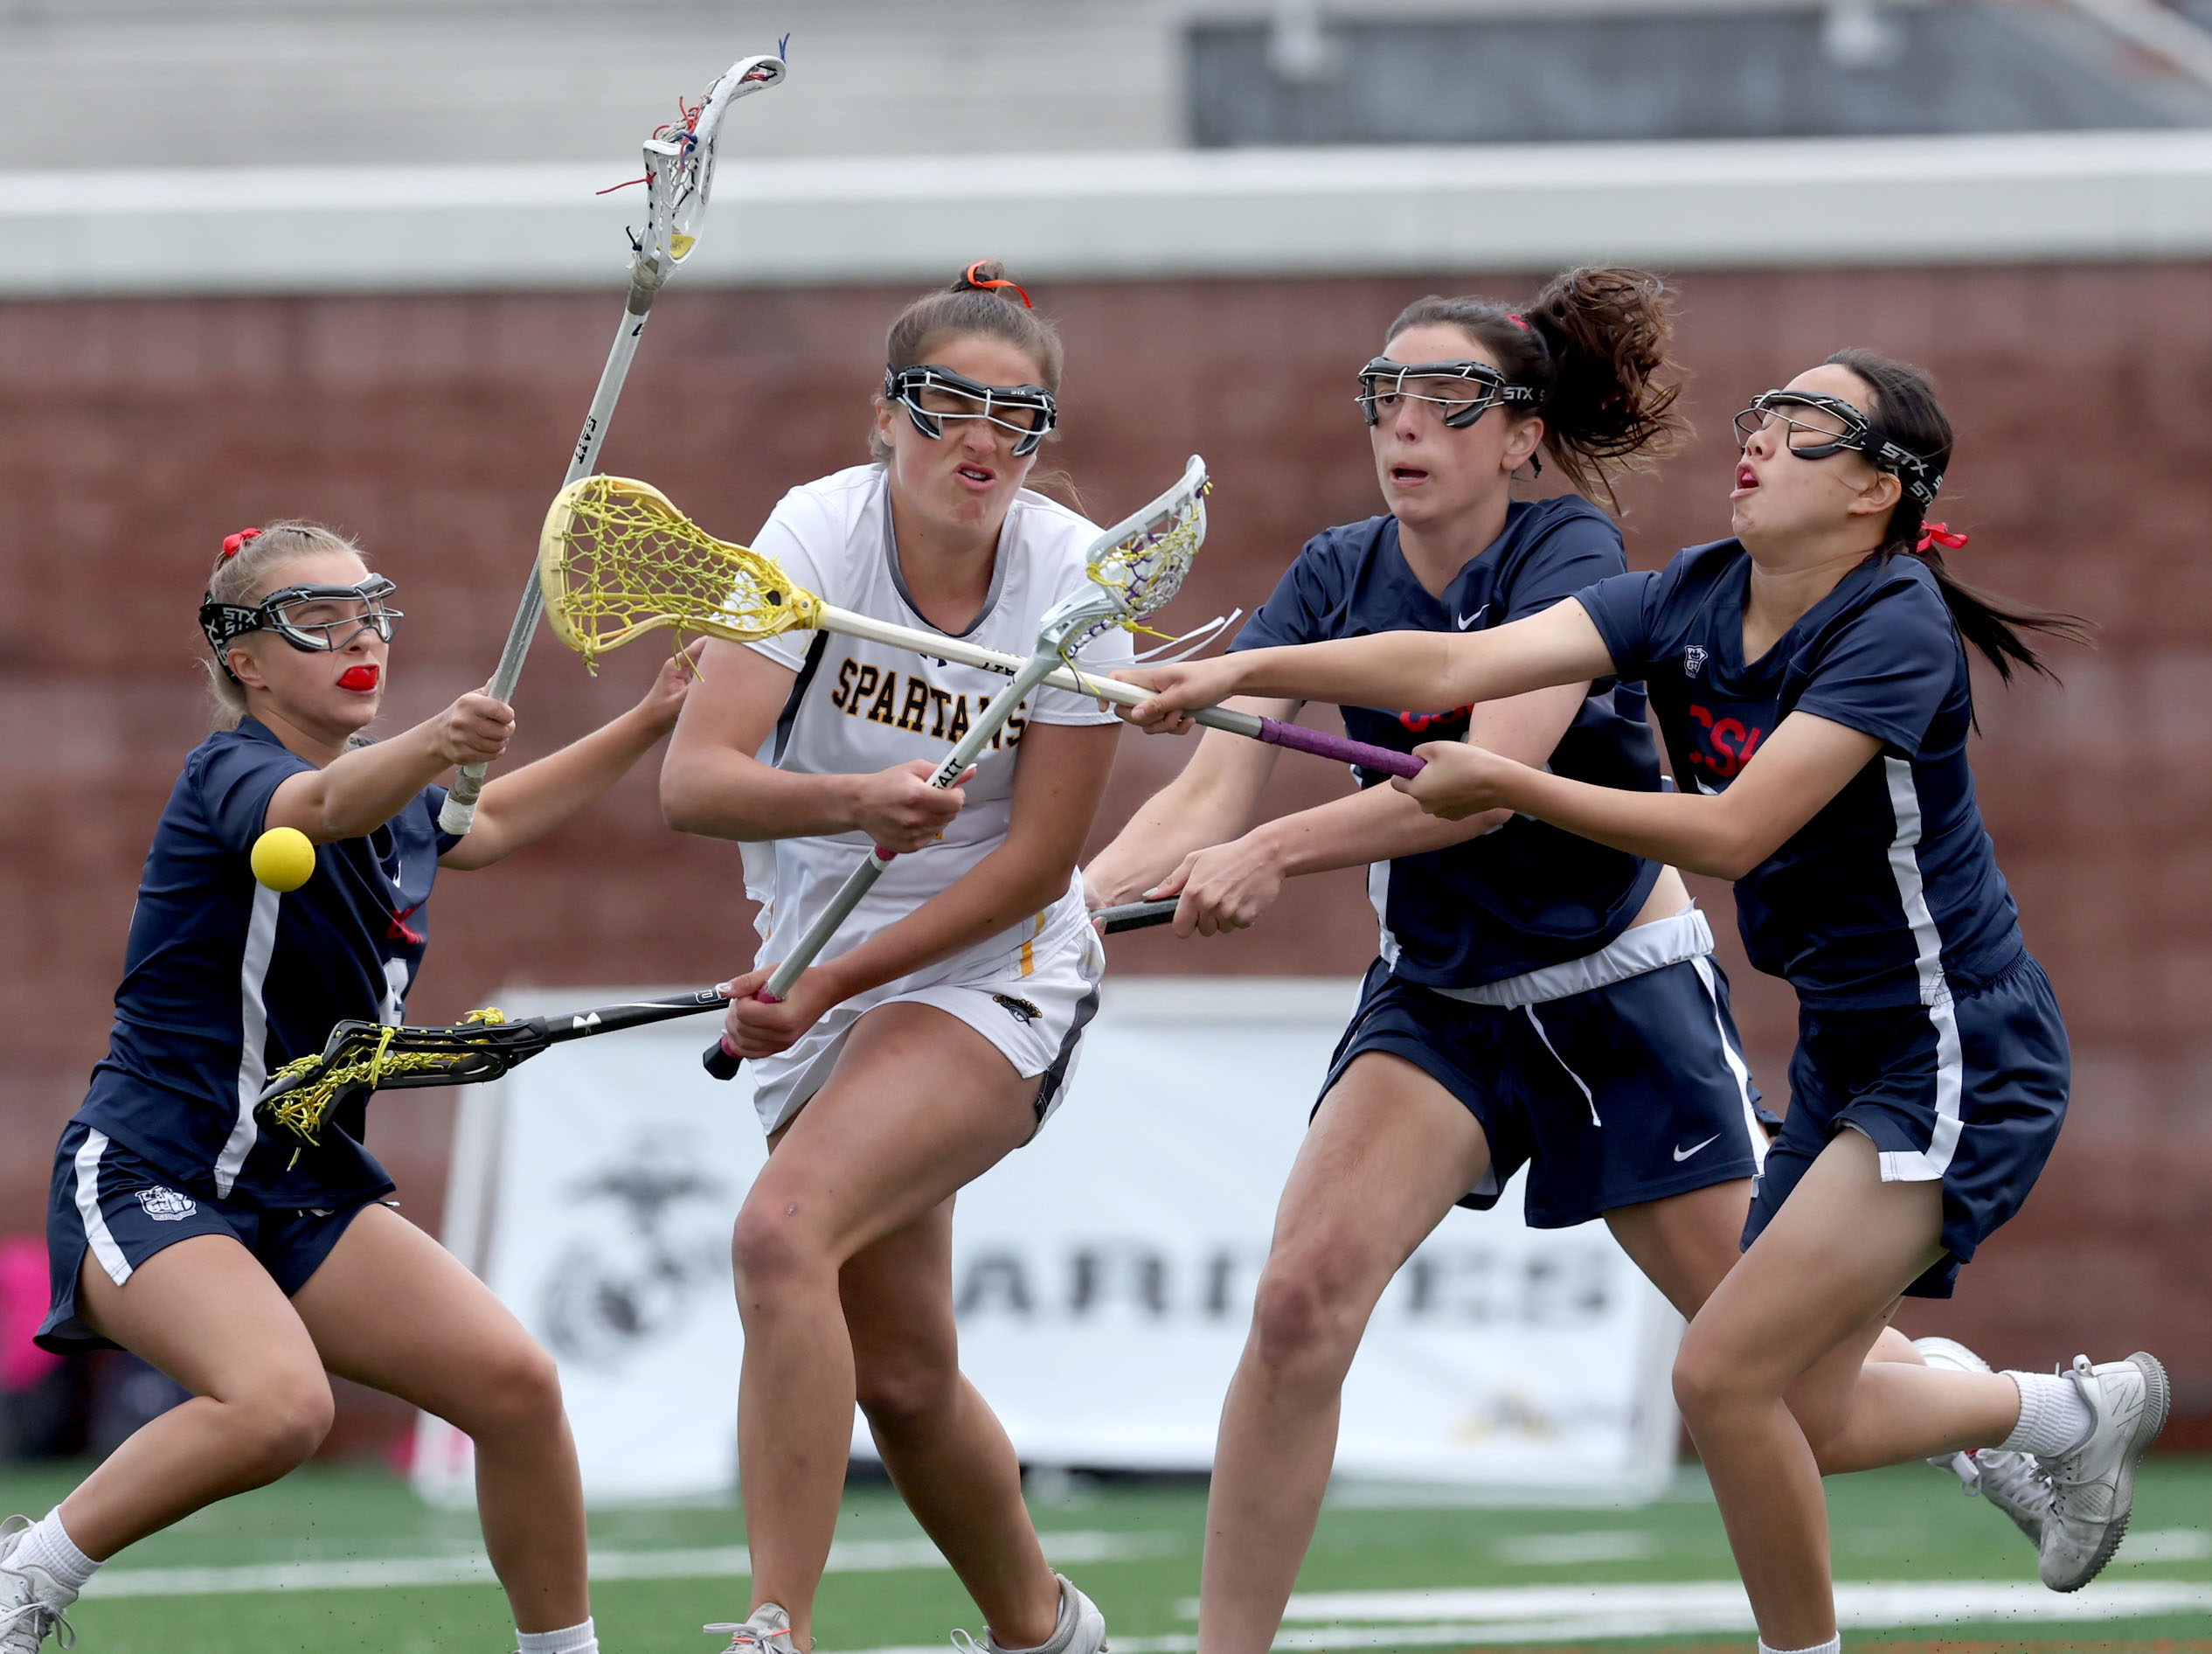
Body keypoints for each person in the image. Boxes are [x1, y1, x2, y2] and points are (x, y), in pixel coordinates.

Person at [1121, 349, 2164, 1654]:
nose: (1764, 437)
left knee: (1724, 1379)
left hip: (1954, 1046)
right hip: (1840, 1048)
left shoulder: (1892, 622)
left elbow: (1728, 835)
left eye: (1808, 425)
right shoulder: (1696, 592)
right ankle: (2060, 1416)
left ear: (1876, 492)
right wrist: (1232, 676)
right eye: (1764, 413)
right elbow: (1465, 666)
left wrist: (1505, 790)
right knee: (1806, 1410)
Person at [0, 521, 696, 1654]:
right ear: (246, 659)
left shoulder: (396, 802)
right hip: (151, 1173)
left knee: (514, 1383)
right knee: (281, 1409)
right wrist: (436, 742)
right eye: (315, 621)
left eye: (371, 612)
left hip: (298, 1185)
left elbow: (492, 818)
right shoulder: (234, 772)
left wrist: (650, 717)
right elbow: (316, 813)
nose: (357, 638)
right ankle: (28, 1571)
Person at [659, 263, 1127, 1654]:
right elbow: (697, 778)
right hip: (814, 953)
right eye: (948, 406)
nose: (980, 440)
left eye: (1018, 416)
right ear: (885, 415)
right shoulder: (810, 537)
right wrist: (849, 804)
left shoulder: (1078, 577)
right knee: (909, 1381)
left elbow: (1034, 863)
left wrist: (844, 984)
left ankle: (770, 1626)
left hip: (996, 961)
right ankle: (1048, 1632)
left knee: (778, 1234)